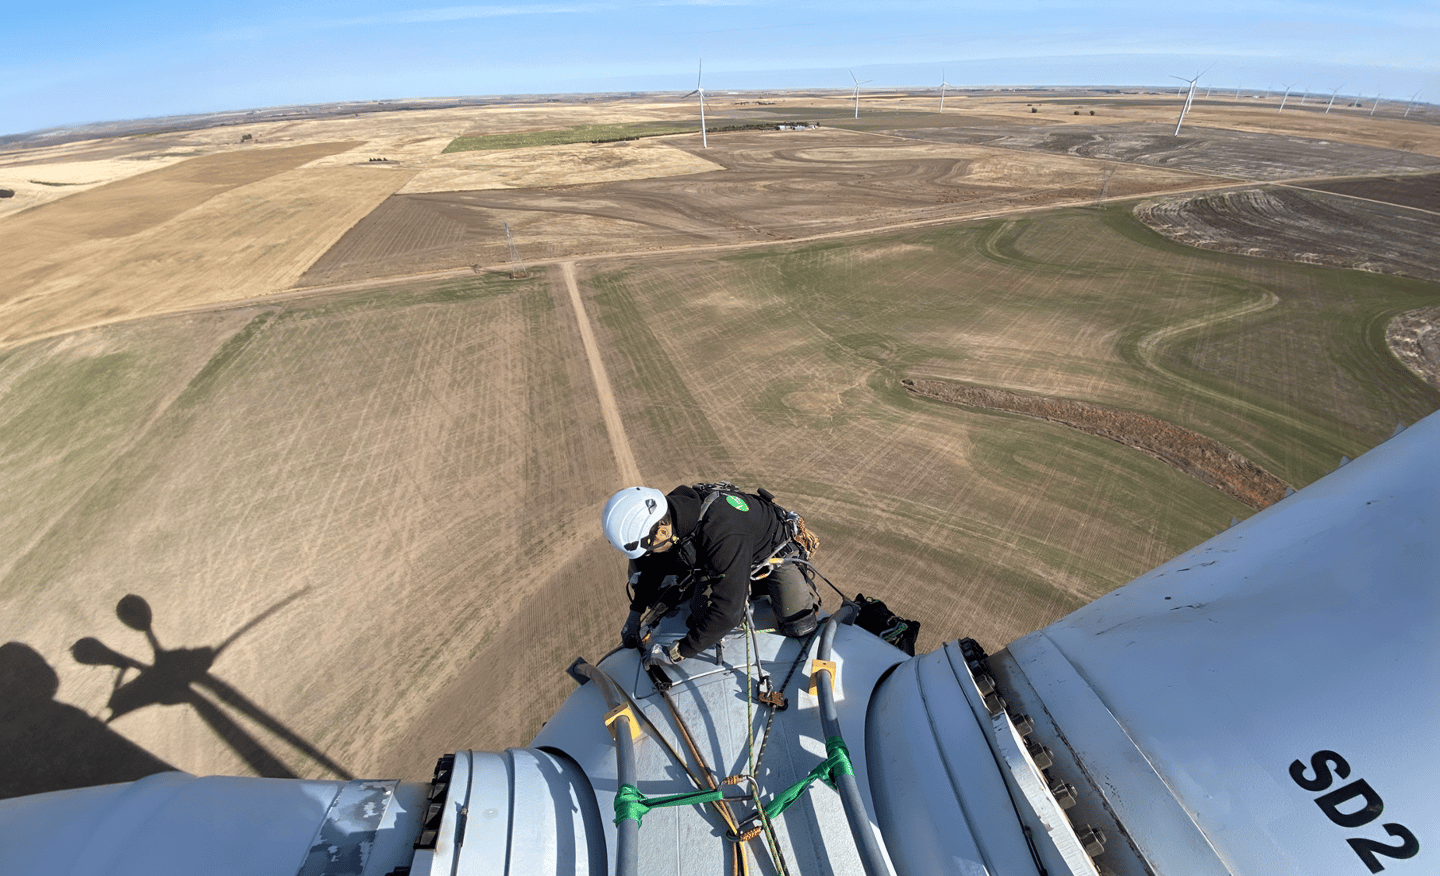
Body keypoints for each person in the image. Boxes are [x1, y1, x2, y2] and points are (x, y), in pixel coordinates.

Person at [601, 483, 820, 669]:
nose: (649, 555)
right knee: (700, 614)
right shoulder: (670, 514)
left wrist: (677, 653)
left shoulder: (720, 531)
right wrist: (634, 615)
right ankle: (736, 582)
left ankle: (756, 585)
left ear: (662, 531)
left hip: (771, 551)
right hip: (724, 553)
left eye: (649, 549)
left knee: (798, 625)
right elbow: (654, 565)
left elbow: (727, 614)